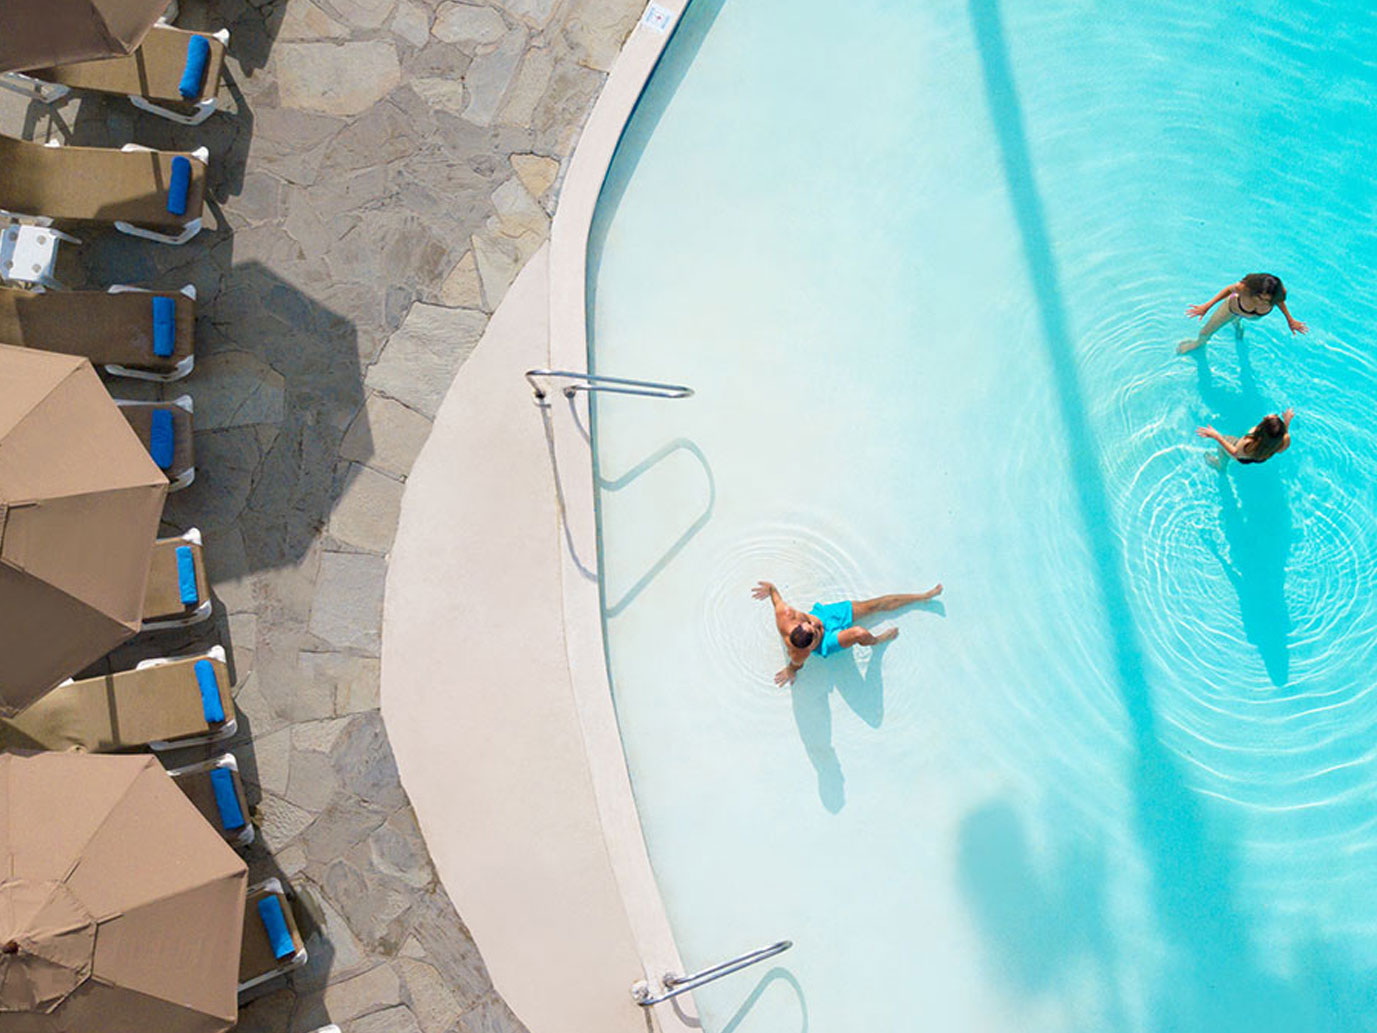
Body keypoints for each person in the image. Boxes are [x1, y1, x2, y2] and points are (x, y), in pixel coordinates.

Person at [752, 580, 942, 686]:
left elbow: (774, 593)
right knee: (859, 633)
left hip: (825, 615)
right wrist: (790, 671)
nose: (816, 627)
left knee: (873, 605)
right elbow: (795, 666)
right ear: (808, 648)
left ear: (800, 625)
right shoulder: (799, 653)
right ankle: (876, 642)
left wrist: (770, 588)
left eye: (810, 624)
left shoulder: (786, 614)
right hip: (826, 642)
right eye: (815, 633)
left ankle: (923, 596)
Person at [1177, 273, 1307, 353]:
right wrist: (1207, 306)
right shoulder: (1244, 288)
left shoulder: (1278, 294)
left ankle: (1237, 323)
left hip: (1253, 316)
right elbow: (1228, 290)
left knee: (1238, 320)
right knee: (1205, 332)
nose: (1262, 301)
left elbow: (1280, 302)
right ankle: (1198, 344)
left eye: (1267, 300)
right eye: (1260, 297)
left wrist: (1290, 320)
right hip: (1231, 309)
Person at [1197, 409, 1293, 465]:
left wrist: (1217, 436)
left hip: (1242, 456)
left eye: (1268, 418)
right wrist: (1287, 422)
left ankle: (1220, 466)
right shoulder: (1283, 439)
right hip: (1259, 457)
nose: (1266, 416)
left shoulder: (1249, 442)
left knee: (1223, 446)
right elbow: (1280, 448)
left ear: (1262, 428)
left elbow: (1235, 453)